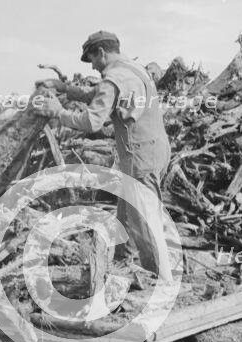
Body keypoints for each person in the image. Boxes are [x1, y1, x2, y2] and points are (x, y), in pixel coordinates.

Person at [35, 30, 178, 282]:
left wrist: (58, 112)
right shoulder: (133, 69)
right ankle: (124, 266)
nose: (92, 65)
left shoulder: (114, 78)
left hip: (139, 157)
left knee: (144, 222)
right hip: (155, 149)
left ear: (101, 52)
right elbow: (100, 94)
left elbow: (92, 121)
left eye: (92, 59)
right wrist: (66, 89)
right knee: (126, 216)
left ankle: (161, 283)